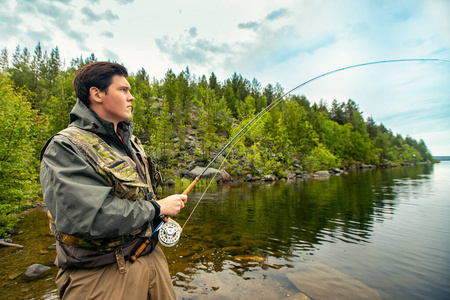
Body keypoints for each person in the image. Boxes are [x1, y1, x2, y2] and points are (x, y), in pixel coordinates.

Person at [40, 61, 187, 299]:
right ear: (96, 93)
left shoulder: (131, 143)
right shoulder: (65, 147)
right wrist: (157, 208)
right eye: (123, 90)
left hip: (152, 262)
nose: (132, 97)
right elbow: (90, 218)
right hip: (102, 275)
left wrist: (158, 217)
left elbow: (138, 197)